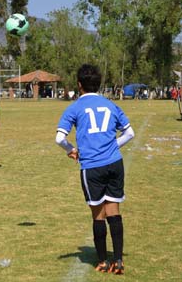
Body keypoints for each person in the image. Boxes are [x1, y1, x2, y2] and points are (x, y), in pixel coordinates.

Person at [55, 64, 135, 275]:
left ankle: (102, 261)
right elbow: (129, 133)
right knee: (114, 211)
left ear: (79, 85)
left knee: (98, 214)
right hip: (115, 164)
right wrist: (111, 146)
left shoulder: (74, 107)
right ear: (99, 84)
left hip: (92, 166)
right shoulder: (110, 105)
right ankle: (118, 260)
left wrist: (72, 150)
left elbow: (59, 138)